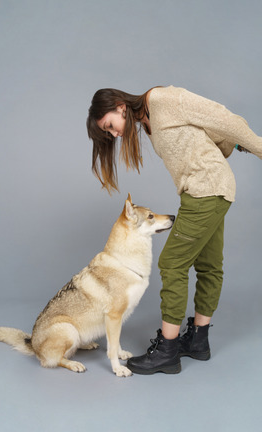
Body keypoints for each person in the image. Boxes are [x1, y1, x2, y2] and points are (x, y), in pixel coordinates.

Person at [87, 86, 262, 375]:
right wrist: (227, 147)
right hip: (207, 191)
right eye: (109, 134)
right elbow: (202, 134)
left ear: (119, 106)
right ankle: (198, 341)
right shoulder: (147, 121)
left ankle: (167, 351)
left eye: (110, 126)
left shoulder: (163, 100)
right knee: (208, 265)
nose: (115, 135)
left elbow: (221, 117)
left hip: (207, 191)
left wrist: (255, 145)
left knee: (171, 264)